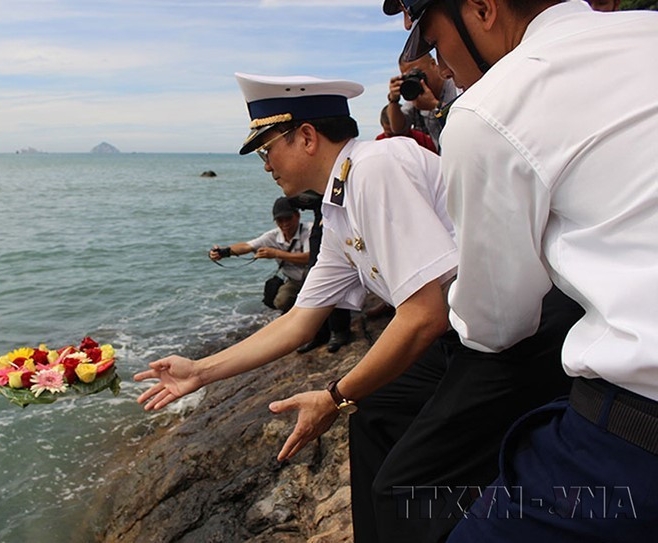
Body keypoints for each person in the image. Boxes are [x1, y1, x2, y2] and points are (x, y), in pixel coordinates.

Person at [137, 72, 582, 542]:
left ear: (306, 136)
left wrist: (333, 396)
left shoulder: (376, 167)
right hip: (468, 332)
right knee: (374, 418)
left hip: (522, 335)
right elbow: (299, 321)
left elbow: (423, 313)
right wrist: (200, 371)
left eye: (268, 149)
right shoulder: (338, 205)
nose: (266, 165)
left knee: (402, 483)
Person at [395, 0, 658, 540]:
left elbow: (498, 324)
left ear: (482, 10)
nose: (440, 66)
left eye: (434, 43)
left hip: (637, 437)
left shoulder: (489, 108)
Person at [210, 196, 311, 312]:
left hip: (313, 280)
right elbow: (247, 246)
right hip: (294, 281)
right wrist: (224, 252)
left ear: (297, 216)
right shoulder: (272, 236)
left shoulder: (309, 231)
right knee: (281, 301)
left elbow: (308, 258)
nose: (285, 224)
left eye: (288, 218)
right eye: (280, 220)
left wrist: (276, 253)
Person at [286, 190, 353, 354]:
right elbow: (296, 200)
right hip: (319, 231)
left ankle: (341, 332)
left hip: (337, 228)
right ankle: (318, 333)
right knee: (312, 281)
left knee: (335, 280)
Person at [387, 52, 458, 152]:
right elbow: (398, 128)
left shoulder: (456, 86)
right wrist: (393, 100)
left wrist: (434, 105)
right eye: (408, 76)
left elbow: (465, 119)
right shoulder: (418, 94)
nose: (416, 80)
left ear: (433, 64)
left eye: (417, 73)